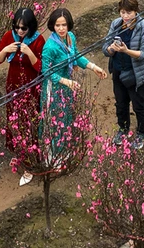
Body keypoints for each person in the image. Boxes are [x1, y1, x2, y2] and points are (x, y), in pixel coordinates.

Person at [35, 8, 106, 154]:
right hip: (53, 87)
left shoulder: (70, 37)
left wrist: (93, 67)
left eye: (64, 25)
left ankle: (63, 148)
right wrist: (65, 81)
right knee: (54, 119)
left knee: (65, 116)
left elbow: (76, 56)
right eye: (57, 25)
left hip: (67, 84)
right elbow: (46, 71)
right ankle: (52, 154)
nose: (61, 29)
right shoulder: (50, 47)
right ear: (52, 26)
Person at [0, 7, 45, 183]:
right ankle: (19, 153)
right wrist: (6, 49)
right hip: (13, 86)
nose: (20, 31)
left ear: (31, 27)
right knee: (14, 122)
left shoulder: (38, 40)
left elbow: (42, 68)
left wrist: (29, 53)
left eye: (24, 28)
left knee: (29, 123)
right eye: (17, 27)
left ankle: (30, 163)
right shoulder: (10, 36)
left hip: (30, 89)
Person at [101, 0, 144, 146]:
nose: (125, 17)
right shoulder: (116, 24)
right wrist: (111, 49)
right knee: (121, 103)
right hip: (118, 71)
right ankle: (123, 129)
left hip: (137, 74)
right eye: (122, 12)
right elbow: (105, 48)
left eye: (129, 13)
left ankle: (142, 133)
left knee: (139, 104)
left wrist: (126, 51)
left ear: (136, 11)